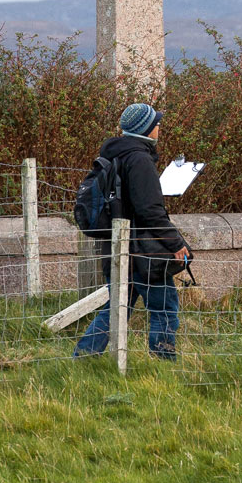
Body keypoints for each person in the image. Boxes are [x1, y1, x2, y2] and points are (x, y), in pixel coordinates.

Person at [75, 103, 191, 360]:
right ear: (146, 130)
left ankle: (83, 358)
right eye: (156, 124)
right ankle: (164, 363)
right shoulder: (139, 159)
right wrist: (175, 243)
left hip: (117, 246)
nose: (159, 127)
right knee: (164, 309)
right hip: (143, 251)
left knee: (117, 307)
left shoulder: (115, 154)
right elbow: (150, 210)